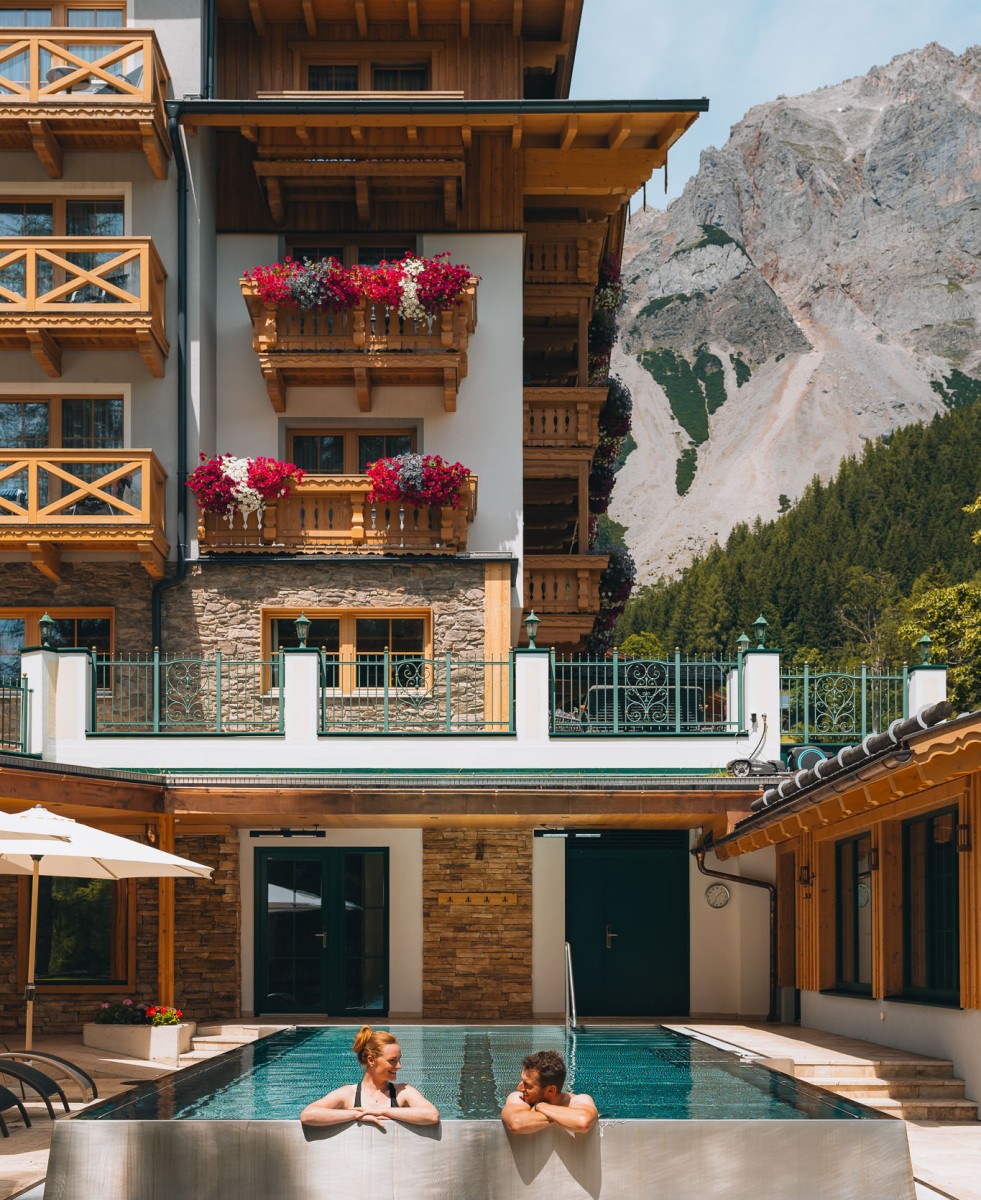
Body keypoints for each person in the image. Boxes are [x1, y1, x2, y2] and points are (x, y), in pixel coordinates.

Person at [299, 1025, 439, 1128]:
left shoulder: (402, 1091)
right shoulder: (349, 1094)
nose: (399, 1066)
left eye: (399, 1059)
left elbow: (432, 1115)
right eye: (392, 1060)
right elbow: (308, 1115)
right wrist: (357, 1114)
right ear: (371, 1060)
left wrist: (383, 1111)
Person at [500, 1049, 597, 1134]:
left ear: (550, 1091)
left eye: (527, 1085)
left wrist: (540, 1106)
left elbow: (582, 1122)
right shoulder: (518, 1098)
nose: (519, 1088)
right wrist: (565, 1118)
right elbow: (517, 1123)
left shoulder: (578, 1100)